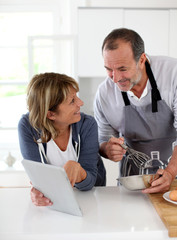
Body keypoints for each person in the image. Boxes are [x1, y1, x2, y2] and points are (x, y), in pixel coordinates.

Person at [94, 28, 177, 194]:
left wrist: (170, 172)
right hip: (132, 184)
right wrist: (107, 149)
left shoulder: (172, 74)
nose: (115, 78)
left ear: (142, 60)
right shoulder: (104, 93)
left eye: (122, 69)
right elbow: (103, 139)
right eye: (109, 69)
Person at [18, 72, 106, 207]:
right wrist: (38, 192)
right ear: (51, 114)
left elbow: (91, 181)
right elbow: (39, 178)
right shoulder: (27, 126)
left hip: (90, 198)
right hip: (54, 202)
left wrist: (78, 171)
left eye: (76, 96)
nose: (80, 103)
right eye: (72, 101)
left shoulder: (87, 125)